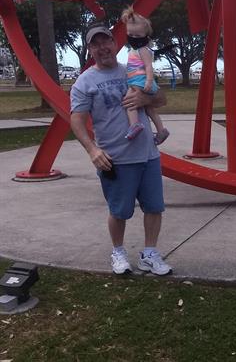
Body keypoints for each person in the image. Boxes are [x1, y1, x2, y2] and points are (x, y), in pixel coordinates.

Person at [70, 23, 172, 276]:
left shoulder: (131, 69)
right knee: (119, 211)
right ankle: (118, 252)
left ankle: (149, 254)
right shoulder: (84, 82)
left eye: (106, 42)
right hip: (115, 160)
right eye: (96, 44)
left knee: (155, 207)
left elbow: (161, 99)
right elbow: (76, 120)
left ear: (115, 44)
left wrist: (144, 99)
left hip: (148, 155)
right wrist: (93, 150)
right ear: (90, 49)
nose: (102, 48)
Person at [120, 6, 169, 144]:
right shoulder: (136, 48)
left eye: (137, 35)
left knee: (129, 102)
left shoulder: (142, 49)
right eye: (131, 34)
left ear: (145, 36)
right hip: (139, 80)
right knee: (149, 109)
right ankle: (161, 131)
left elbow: (148, 66)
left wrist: (148, 80)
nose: (133, 38)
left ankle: (134, 125)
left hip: (140, 80)